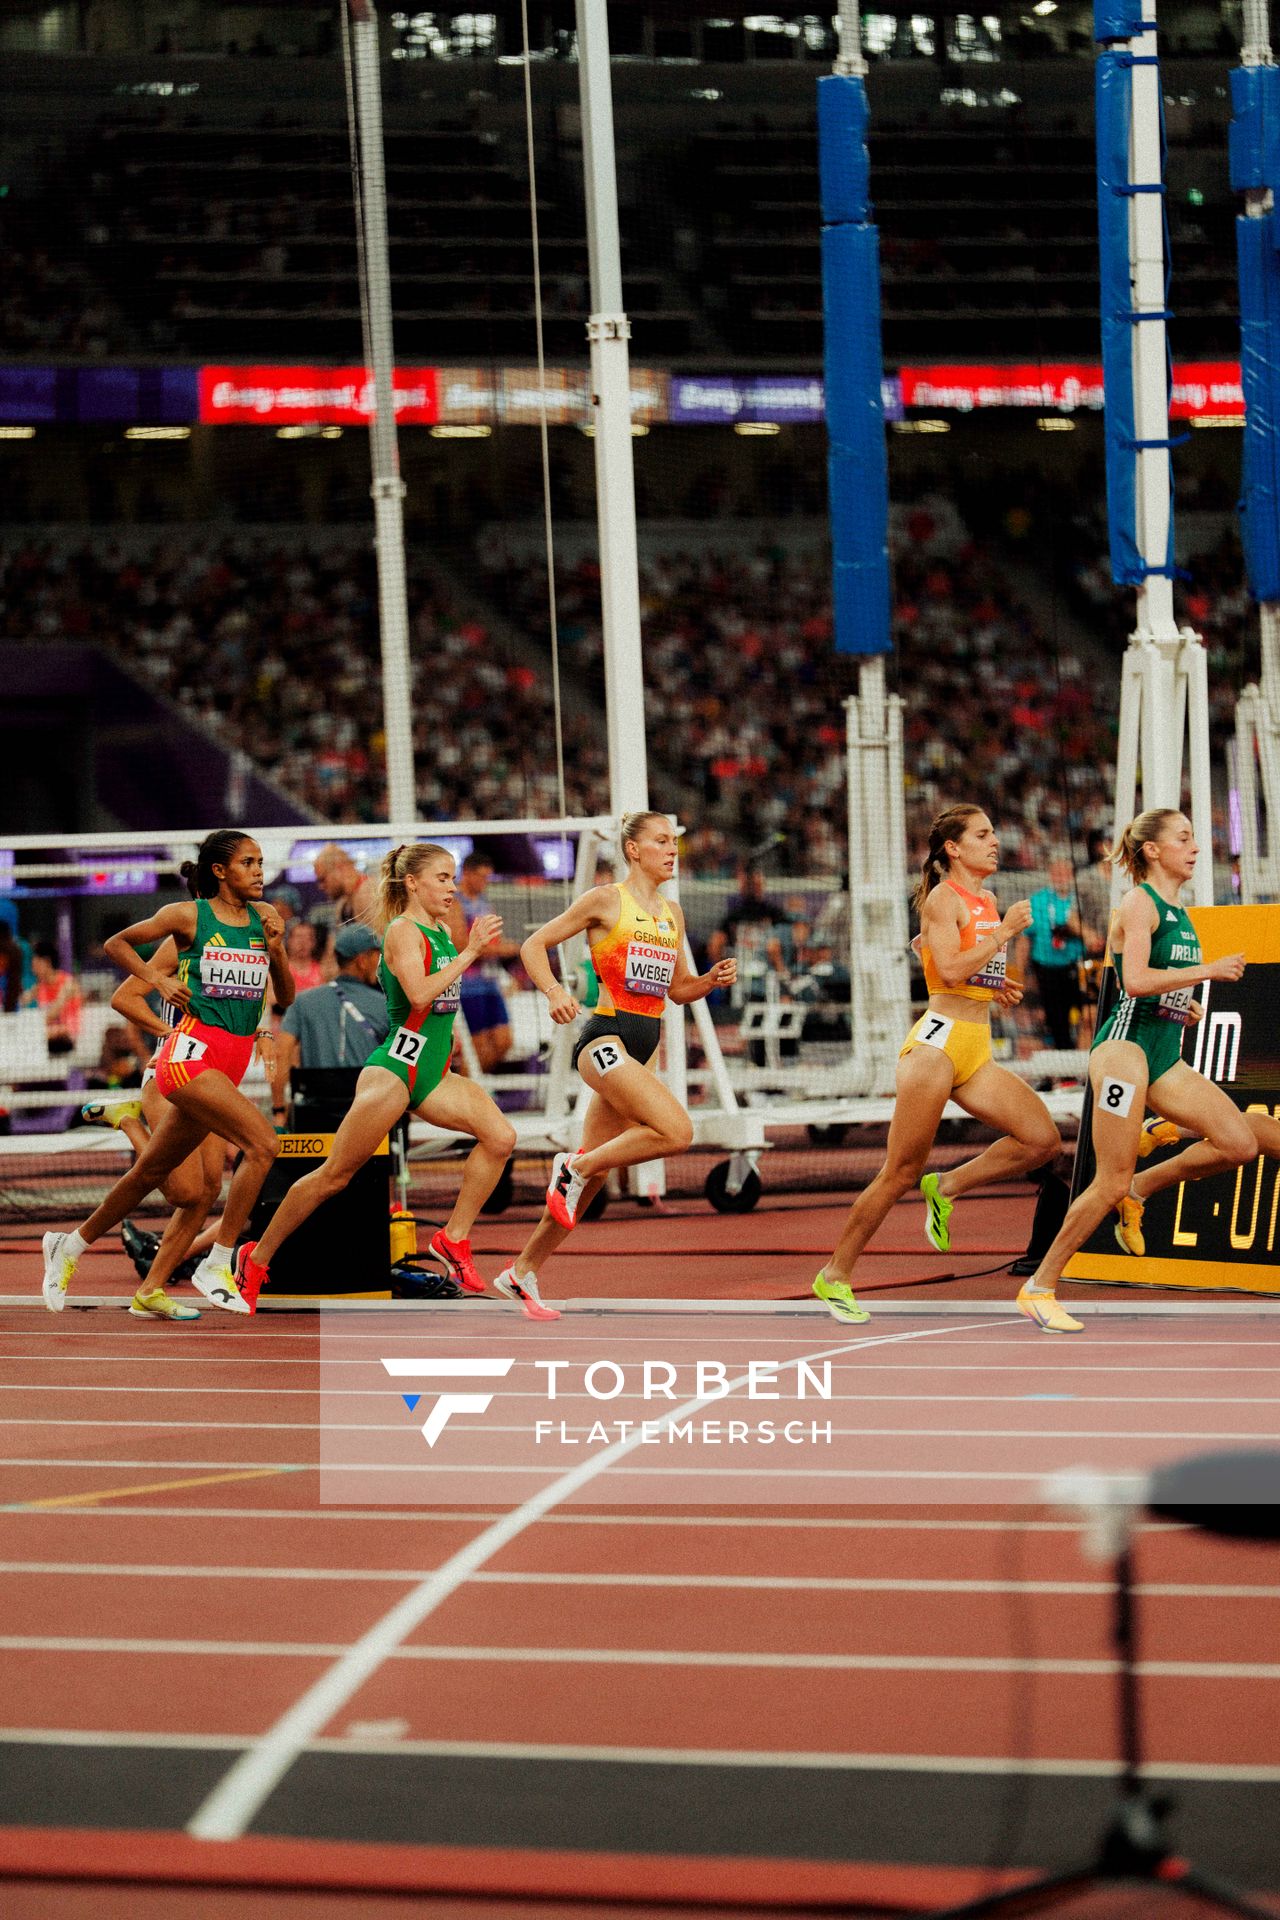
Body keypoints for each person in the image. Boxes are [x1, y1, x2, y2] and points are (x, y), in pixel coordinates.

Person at [233, 843, 516, 1308]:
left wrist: (450, 1027)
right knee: (334, 1176)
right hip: (395, 1072)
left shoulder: (443, 931)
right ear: (413, 883)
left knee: (501, 1138)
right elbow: (419, 996)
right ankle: (256, 1257)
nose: (451, 888)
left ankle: (453, 1238)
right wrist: (471, 952)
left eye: (452, 877)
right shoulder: (402, 931)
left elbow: (440, 1006)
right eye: (442, 878)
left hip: (434, 1072)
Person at [811, 804, 1061, 1325]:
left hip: (976, 1048)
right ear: (954, 848)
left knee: (1042, 1140)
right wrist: (1004, 935)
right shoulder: (944, 899)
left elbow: (950, 960)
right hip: (936, 1046)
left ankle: (947, 1186)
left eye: (994, 832)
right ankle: (834, 1274)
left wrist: (997, 982)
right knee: (900, 1171)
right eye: (983, 834)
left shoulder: (986, 899)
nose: (995, 841)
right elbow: (946, 969)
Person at [491, 811, 737, 1321]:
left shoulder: (672, 914)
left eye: (674, 842)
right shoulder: (606, 900)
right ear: (633, 850)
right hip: (605, 1038)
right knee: (676, 1132)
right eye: (661, 841)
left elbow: (677, 990)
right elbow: (535, 944)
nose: (672, 850)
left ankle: (522, 1270)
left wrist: (709, 980)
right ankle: (572, 1167)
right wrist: (554, 991)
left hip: (643, 1045)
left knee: (596, 1176)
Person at [1015, 808, 1254, 1331]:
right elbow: (1136, 982)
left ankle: (1141, 1188)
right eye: (1183, 839)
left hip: (1163, 1055)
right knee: (1108, 1181)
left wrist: (1184, 1005)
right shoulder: (1139, 903)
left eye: (1194, 838)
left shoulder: (1179, 910)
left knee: (1239, 1143)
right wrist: (1209, 971)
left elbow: (1157, 987)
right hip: (1124, 1051)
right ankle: (1039, 1287)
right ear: (1153, 849)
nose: (1195, 847)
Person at [41, 829, 293, 1317]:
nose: (259, 871)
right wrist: (157, 980)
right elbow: (116, 944)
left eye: (261, 862)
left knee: (153, 1173)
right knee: (264, 1145)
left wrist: (278, 950)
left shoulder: (264, 919)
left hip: (230, 1061)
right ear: (220, 871)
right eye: (248, 862)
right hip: (188, 1058)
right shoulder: (188, 916)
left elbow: (285, 997)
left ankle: (69, 1245)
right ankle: (217, 1262)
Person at [81, 933, 227, 1321]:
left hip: (217, 1074)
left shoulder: (247, 941)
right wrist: (168, 1037)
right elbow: (125, 998)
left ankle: (151, 1288)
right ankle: (128, 1121)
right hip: (175, 1072)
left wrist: (262, 1033)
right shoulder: (182, 940)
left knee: (210, 1187)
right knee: (184, 1191)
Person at [270, 921, 390, 1115]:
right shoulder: (385, 1005)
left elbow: (281, 1054)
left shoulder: (302, 1002)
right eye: (377, 956)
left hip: (315, 1115)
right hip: (369, 1115)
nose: (380, 964)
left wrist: (279, 1110)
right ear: (362, 960)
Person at [447, 851, 520, 1071]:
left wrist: (507, 951)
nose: (485, 882)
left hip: (490, 981)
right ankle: (466, 1085)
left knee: (504, 1041)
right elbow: (460, 946)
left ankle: (474, 1084)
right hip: (468, 986)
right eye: (481, 876)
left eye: (488, 877)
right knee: (477, 1048)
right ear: (467, 873)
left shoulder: (484, 902)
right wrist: (503, 949)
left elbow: (494, 940)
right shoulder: (454, 902)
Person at [1021, 855, 1086, 1050]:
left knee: (1087, 1013)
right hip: (1047, 968)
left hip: (1078, 966)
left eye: (1065, 872)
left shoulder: (1082, 897)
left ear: (1072, 874)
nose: (1061, 877)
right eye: (1056, 872)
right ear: (1050, 874)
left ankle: (1085, 1054)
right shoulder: (1038, 900)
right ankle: (1063, 1059)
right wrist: (1022, 972)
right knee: (1056, 1018)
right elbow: (1025, 938)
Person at [24, 940, 83, 1055]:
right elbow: (21, 1001)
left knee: (31, 1035)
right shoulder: (39, 987)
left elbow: (52, 1014)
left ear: (46, 962)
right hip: (46, 1039)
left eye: (35, 963)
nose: (33, 968)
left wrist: (33, 1026)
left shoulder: (68, 983)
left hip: (67, 1038)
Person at [313, 842, 376, 931]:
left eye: (323, 879)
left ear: (339, 868)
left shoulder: (368, 893)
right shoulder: (343, 903)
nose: (321, 886)